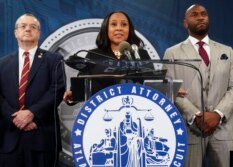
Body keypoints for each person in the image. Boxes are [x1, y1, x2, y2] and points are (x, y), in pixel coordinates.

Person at [163, 4, 233, 167]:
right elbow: (171, 89)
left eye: (204, 14)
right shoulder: (172, 53)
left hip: (224, 130)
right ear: (185, 23)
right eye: (195, 14)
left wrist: (218, 114)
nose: (200, 17)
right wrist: (196, 115)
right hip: (189, 129)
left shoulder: (227, 51)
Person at [0, 13, 65, 167]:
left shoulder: (54, 60)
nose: (28, 29)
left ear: (38, 33)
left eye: (33, 27)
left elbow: (58, 89)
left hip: (42, 136)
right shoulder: (2, 64)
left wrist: (32, 113)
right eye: (23, 26)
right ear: (16, 32)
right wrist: (15, 118)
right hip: (9, 139)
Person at [63, 10, 151, 102]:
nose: (119, 28)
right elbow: (82, 85)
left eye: (124, 25)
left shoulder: (140, 54)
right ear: (106, 29)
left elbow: (151, 84)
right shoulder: (93, 55)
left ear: (129, 29)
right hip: (101, 109)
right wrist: (73, 93)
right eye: (113, 24)